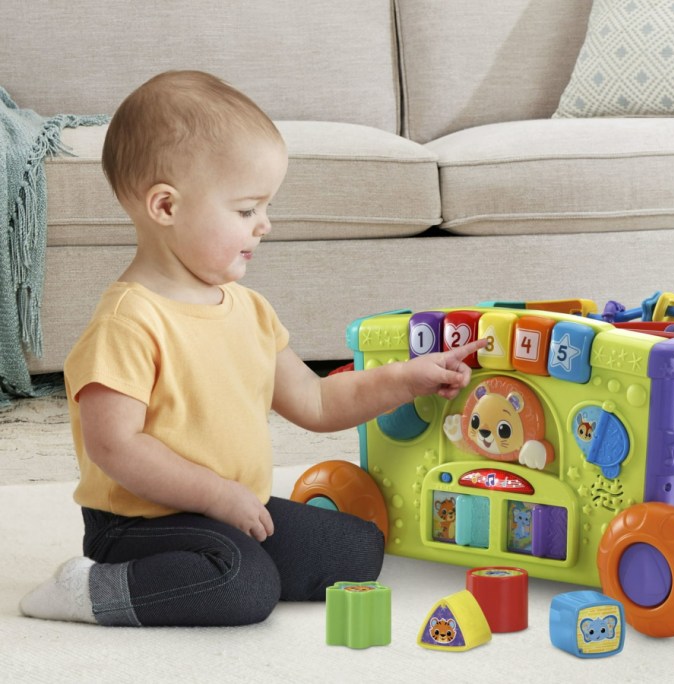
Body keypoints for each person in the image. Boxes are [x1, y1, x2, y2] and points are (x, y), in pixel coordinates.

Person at [19, 70, 485, 627]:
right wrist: (218, 496)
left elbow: (315, 402)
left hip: (228, 507)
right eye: (246, 209)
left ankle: (220, 559)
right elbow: (114, 447)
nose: (264, 225)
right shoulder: (129, 322)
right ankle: (91, 589)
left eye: (264, 208)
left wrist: (406, 378)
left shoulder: (249, 310)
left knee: (357, 550)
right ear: (165, 207)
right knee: (243, 586)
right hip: (140, 523)